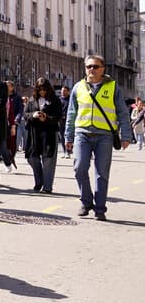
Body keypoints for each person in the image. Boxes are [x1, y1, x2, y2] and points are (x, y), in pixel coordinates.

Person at [65, 56, 133, 221]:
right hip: (83, 133)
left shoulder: (113, 87)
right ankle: (86, 201)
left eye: (95, 66)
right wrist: (69, 136)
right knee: (79, 168)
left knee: (101, 173)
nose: (91, 70)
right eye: (88, 67)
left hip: (104, 136)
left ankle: (100, 208)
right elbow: (71, 113)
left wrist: (126, 135)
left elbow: (123, 113)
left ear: (103, 69)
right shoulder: (78, 87)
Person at [23, 77, 63, 193]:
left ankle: (47, 187)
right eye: (40, 89)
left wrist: (46, 118)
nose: (42, 92)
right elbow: (25, 114)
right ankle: (39, 180)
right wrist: (33, 115)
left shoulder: (55, 100)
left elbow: (58, 117)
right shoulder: (32, 100)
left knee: (49, 159)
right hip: (34, 132)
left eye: (44, 89)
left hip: (49, 133)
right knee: (32, 157)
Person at [58, 85, 72, 158]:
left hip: (69, 120)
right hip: (61, 121)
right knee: (62, 136)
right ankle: (65, 151)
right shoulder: (58, 100)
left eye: (65, 91)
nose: (63, 92)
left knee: (69, 136)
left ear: (68, 92)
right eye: (62, 90)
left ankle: (68, 151)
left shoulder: (70, 100)